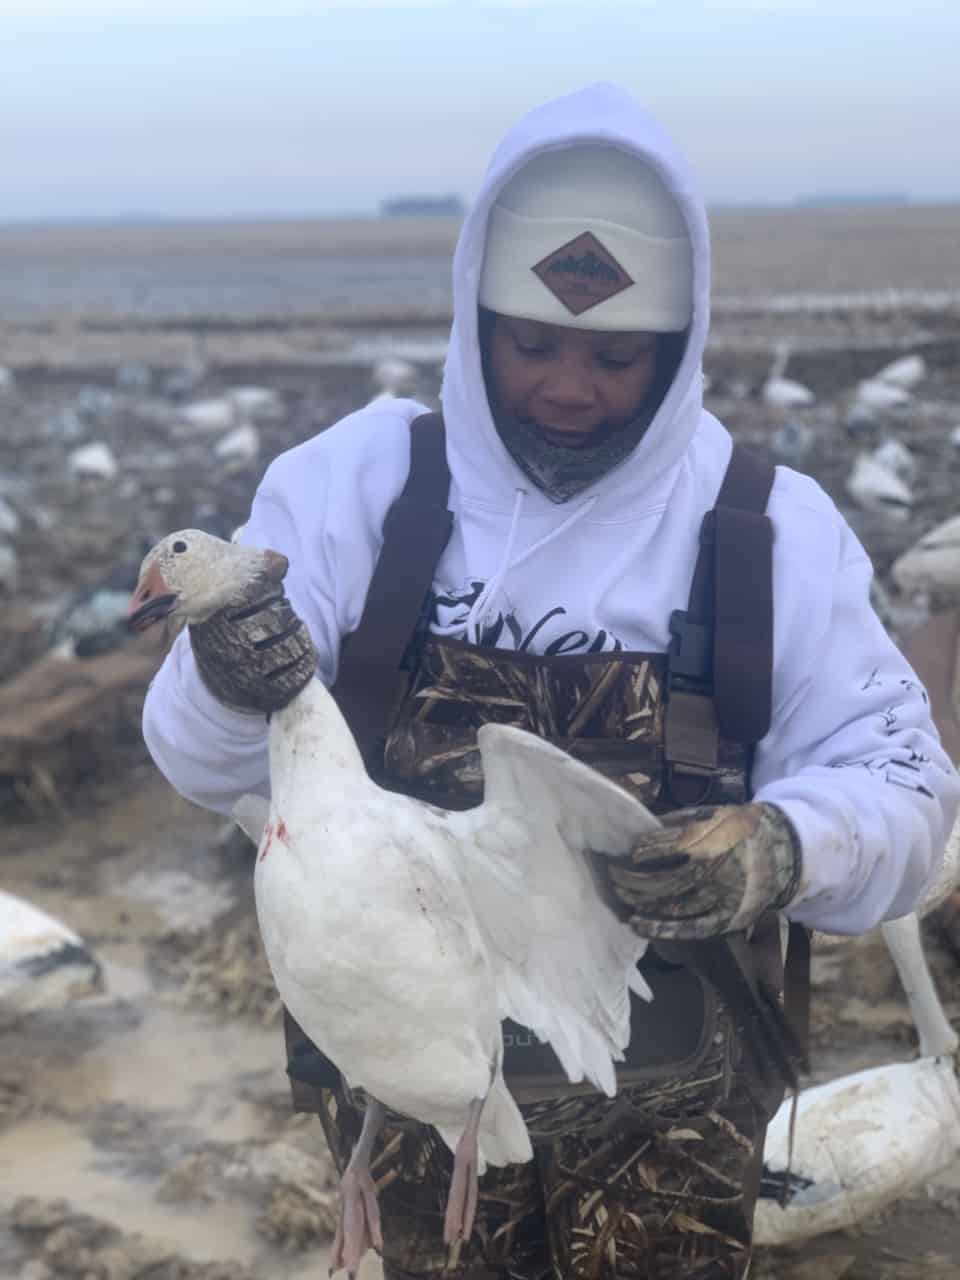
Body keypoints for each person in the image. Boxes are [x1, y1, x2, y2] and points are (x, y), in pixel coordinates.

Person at [142, 83, 960, 1280]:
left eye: (617, 356)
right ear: (475, 321)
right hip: (417, 1102)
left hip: (679, 1136)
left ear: (679, 347)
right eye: (533, 345)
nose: (570, 387)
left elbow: (907, 790)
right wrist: (226, 673)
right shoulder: (356, 489)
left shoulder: (764, 527)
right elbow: (200, 761)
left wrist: (783, 845)